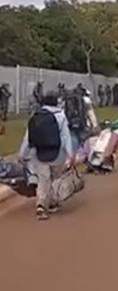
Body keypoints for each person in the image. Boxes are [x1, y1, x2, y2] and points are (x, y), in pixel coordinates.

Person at [19, 91, 74, 220]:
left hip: (38, 152)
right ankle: (53, 202)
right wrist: (70, 154)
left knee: (43, 179)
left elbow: (28, 137)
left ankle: (41, 204)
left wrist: (22, 154)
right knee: (56, 178)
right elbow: (66, 136)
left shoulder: (36, 115)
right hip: (57, 152)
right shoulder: (61, 115)